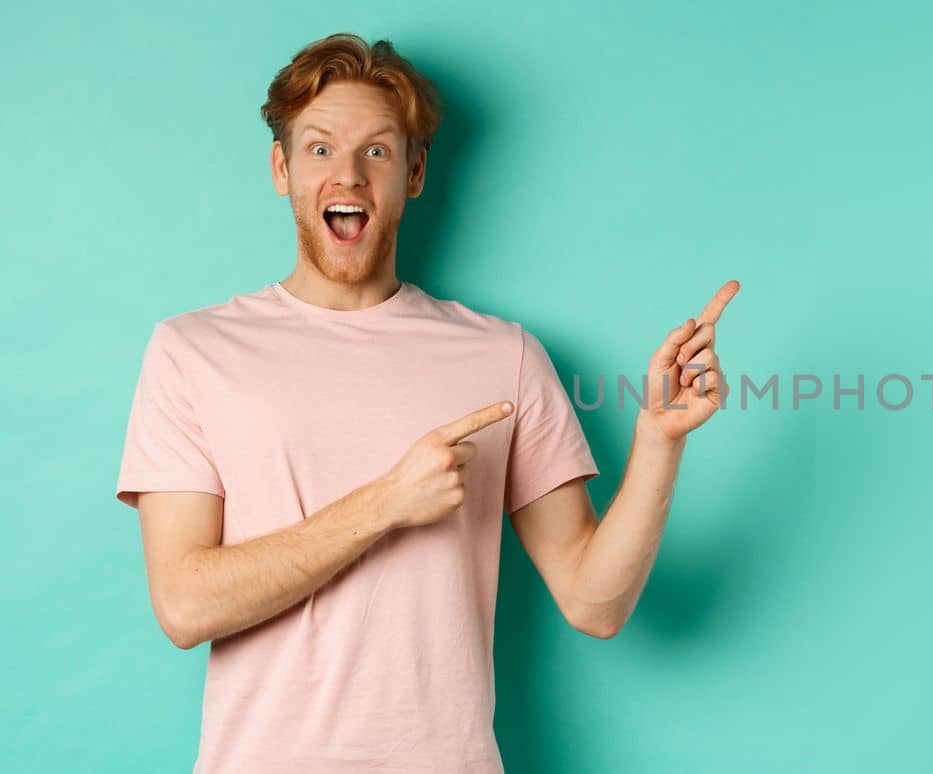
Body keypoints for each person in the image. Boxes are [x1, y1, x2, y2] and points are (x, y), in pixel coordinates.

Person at [113, 32, 738, 773]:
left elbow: (593, 604)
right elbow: (185, 606)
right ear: (281, 168)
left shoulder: (503, 357)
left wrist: (660, 444)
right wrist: (385, 503)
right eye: (318, 150)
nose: (346, 173)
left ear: (413, 172)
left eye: (377, 151)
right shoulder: (193, 351)